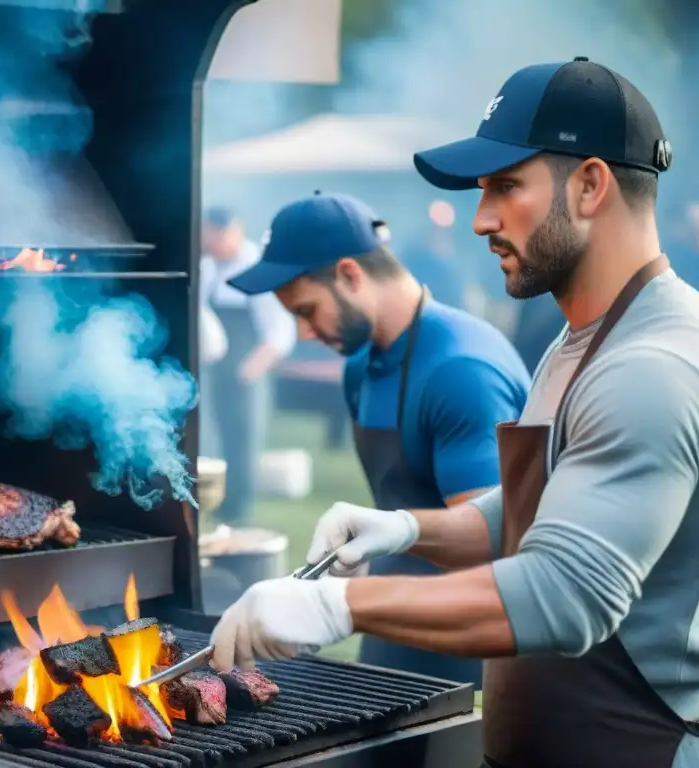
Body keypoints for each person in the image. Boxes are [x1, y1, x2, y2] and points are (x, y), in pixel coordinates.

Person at [208, 57, 699, 768]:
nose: (480, 220)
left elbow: (566, 594)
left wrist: (338, 606)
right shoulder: (580, 338)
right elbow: (538, 512)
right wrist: (406, 528)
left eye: (505, 187)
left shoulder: (650, 366)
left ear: (591, 185)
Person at [223, 191, 530, 686]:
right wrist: (341, 576)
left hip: (467, 658)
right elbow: (398, 506)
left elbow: (494, 550)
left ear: (349, 274)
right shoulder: (360, 365)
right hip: (387, 635)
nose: (303, 333)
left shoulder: (461, 371)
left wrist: (340, 604)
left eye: (306, 310)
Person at [199, 207, 297, 527]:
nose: (209, 240)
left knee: (242, 440)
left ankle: (239, 510)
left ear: (232, 230)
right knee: (212, 437)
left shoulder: (256, 265)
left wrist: (251, 369)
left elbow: (280, 329)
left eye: (214, 233)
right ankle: (216, 501)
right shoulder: (208, 267)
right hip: (214, 369)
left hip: (246, 370)